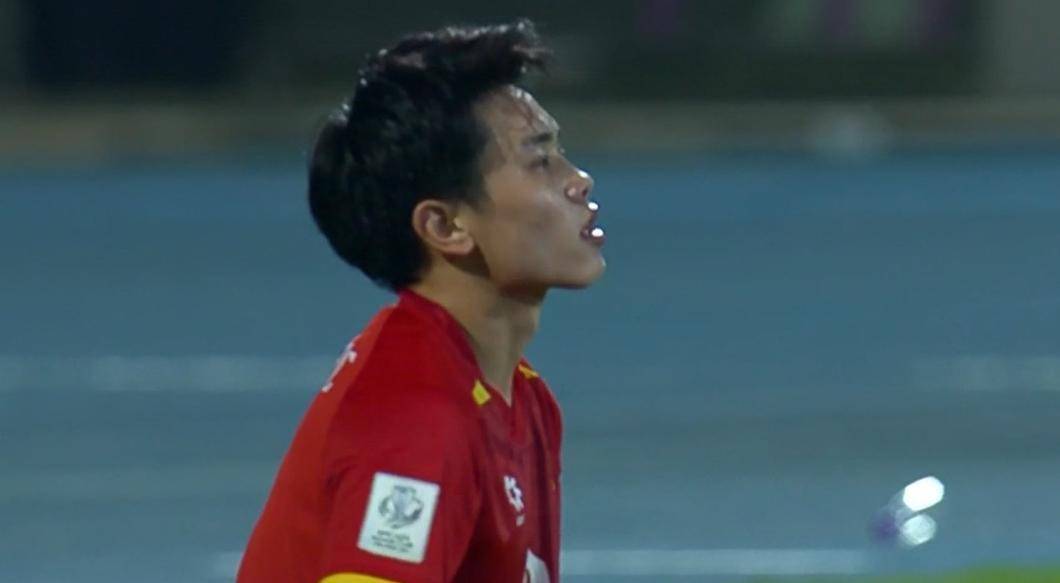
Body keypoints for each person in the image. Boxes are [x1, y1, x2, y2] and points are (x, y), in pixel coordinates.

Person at [237, 19, 605, 583]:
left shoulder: (521, 399)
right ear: (445, 226)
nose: (578, 180)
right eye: (540, 161)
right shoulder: (419, 416)